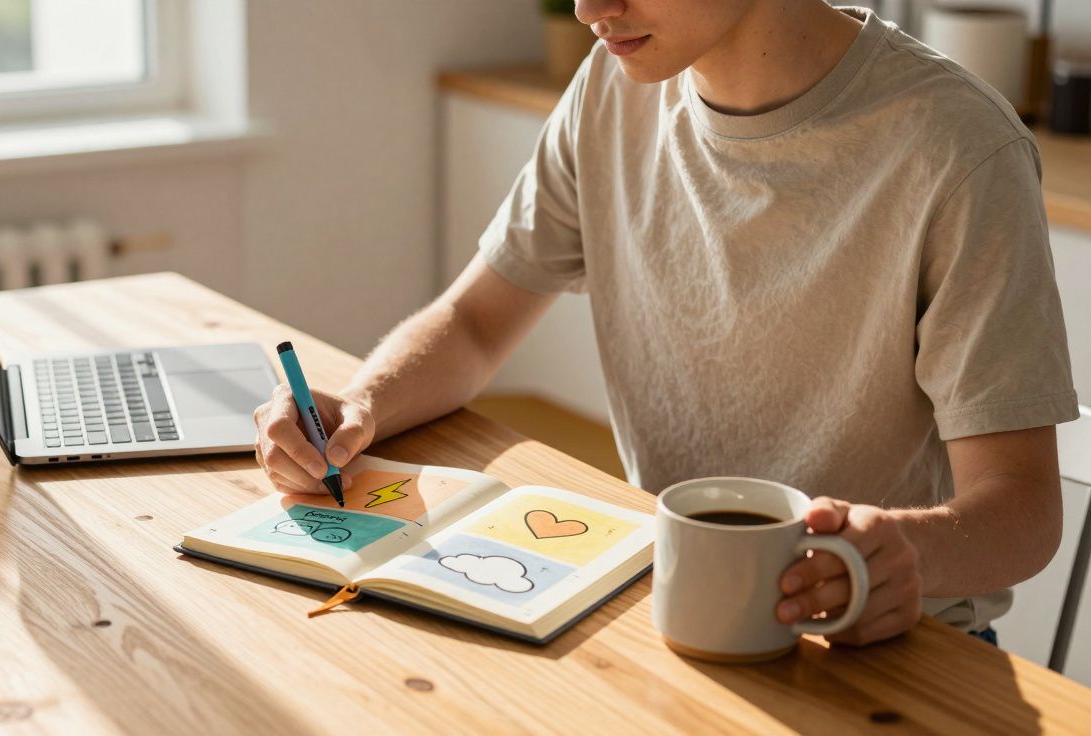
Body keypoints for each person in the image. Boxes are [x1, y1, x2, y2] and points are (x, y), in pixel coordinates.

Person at [253, 1, 1080, 645]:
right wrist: (361, 404)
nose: (586, 8)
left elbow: (1023, 510)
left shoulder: (959, 149)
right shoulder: (612, 88)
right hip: (672, 605)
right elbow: (473, 323)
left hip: (884, 645)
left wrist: (904, 551)